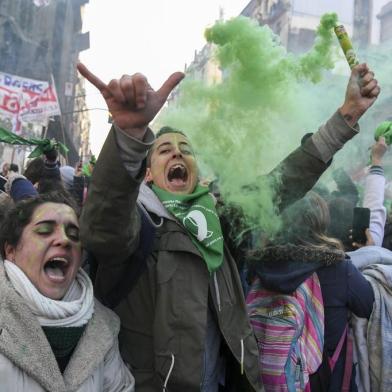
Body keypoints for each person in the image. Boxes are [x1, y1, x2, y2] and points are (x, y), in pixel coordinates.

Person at [77, 61, 379, 392]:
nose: (177, 154)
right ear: (148, 173)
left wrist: (345, 117)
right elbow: (103, 228)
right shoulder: (138, 222)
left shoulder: (217, 223)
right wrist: (130, 135)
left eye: (185, 150)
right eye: (164, 150)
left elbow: (283, 182)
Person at [0, 192, 135, 391]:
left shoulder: (104, 328)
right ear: (11, 251)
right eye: (45, 230)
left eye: (74, 234)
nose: (64, 240)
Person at [247, 191, 375, 391]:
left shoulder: (260, 266)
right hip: (326, 379)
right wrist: (368, 250)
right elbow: (370, 306)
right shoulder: (338, 268)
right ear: (321, 222)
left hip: (268, 378)